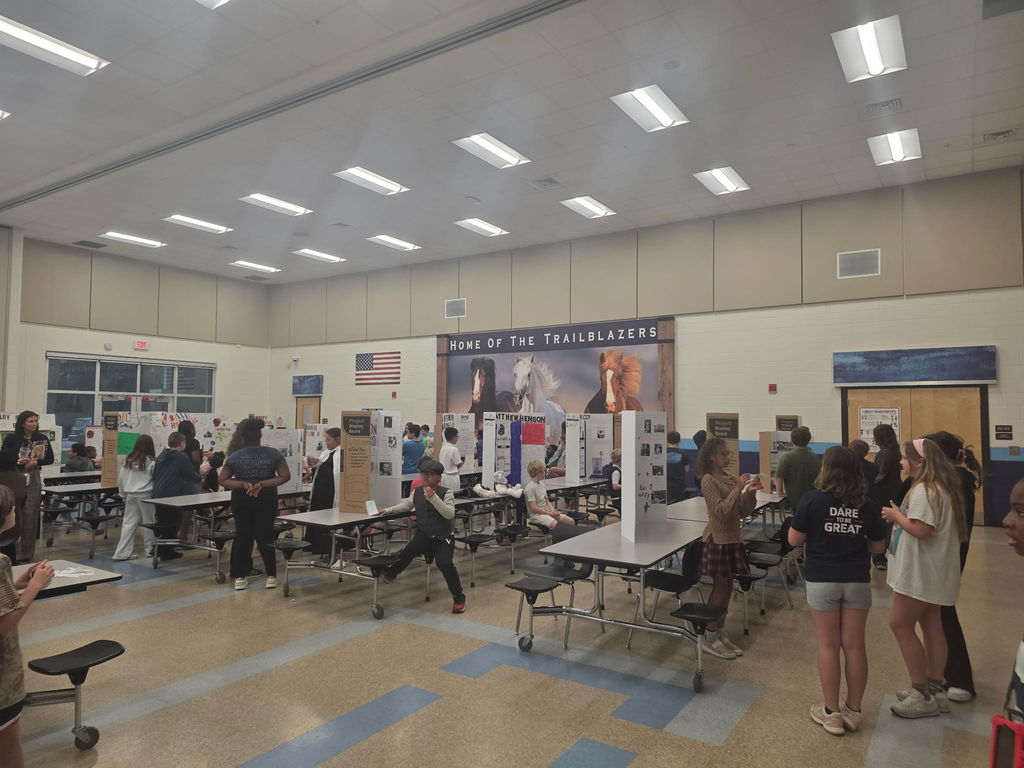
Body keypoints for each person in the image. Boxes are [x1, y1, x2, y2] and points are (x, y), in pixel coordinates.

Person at [789, 447, 886, 736]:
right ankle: (853, 710)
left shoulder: (812, 500)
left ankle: (831, 713)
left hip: (822, 579)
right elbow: (879, 547)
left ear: (826, 469)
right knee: (855, 646)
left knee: (828, 645)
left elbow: (794, 539)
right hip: (856, 579)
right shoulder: (867, 504)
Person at [882, 438, 967, 719]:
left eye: (905, 458)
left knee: (899, 623)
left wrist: (896, 515)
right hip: (933, 571)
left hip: (920, 572)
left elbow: (921, 529)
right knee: (932, 625)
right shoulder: (942, 489)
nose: (901, 462)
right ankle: (935, 687)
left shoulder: (926, 491)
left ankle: (921, 692)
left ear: (920, 462)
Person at [925, 431, 982, 704]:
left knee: (943, 614)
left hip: (946, 557)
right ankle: (946, 673)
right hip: (947, 556)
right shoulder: (955, 481)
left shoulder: (954, 483)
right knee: (937, 614)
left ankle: (960, 678)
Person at [0, 485, 55, 768]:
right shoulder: (1, 561)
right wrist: (35, 585)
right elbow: (3, 624)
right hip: (2, 683)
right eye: (12, 509)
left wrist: (15, 585)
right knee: (8, 746)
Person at [697, 437, 760, 659]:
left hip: (733, 538)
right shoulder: (707, 480)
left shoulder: (730, 478)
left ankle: (719, 631)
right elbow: (720, 512)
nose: (728, 457)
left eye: (728, 454)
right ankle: (709, 634)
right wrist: (737, 490)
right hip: (718, 539)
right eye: (724, 454)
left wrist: (750, 493)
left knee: (728, 585)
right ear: (712, 457)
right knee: (720, 587)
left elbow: (742, 511)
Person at [378, 459, 466, 613]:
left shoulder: (446, 493)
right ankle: (392, 573)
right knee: (407, 552)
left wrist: (433, 498)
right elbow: (406, 505)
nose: (423, 478)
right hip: (424, 533)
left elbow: (449, 514)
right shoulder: (417, 491)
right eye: (422, 474)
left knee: (445, 564)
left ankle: (459, 597)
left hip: (442, 536)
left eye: (428, 475)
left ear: (438, 477)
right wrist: (389, 510)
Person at [219, 418, 291, 591]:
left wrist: (243, 484)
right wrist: (262, 484)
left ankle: (241, 578)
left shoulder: (235, 456)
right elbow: (284, 476)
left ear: (243, 438)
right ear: (260, 436)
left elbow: (223, 480)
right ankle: (272, 576)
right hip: (266, 498)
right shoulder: (273, 454)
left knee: (243, 536)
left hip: (241, 498)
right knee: (265, 535)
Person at [0, 411, 55, 563]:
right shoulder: (12, 438)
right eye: (30, 421)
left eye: (36, 421)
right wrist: (18, 461)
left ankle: (26, 554)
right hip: (15, 476)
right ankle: (12, 552)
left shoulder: (41, 438)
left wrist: (36, 462)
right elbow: (3, 456)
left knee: (30, 515)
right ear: (23, 423)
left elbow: (49, 458)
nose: (34, 423)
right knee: (15, 514)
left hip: (33, 476)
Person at [151, 433, 200, 560]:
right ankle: (165, 550)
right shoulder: (181, 456)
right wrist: (199, 477)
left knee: (163, 522)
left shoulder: (162, 455)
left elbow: (155, 474)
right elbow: (191, 474)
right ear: (182, 444)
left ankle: (161, 548)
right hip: (172, 494)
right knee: (174, 522)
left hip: (157, 493)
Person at [112, 434, 156, 561]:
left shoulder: (128, 460)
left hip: (130, 494)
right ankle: (150, 550)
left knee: (128, 524)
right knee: (149, 523)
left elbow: (121, 479)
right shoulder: (151, 462)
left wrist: (122, 494)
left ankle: (121, 553)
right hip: (146, 495)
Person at [870, 424, 903, 570]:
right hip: (894, 491)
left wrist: (867, 482)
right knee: (889, 524)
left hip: (882, 494)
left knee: (881, 524)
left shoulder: (885, 453)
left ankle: (879, 557)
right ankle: (889, 554)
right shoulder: (895, 451)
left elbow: (880, 475)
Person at [775, 426, 821, 511]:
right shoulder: (815, 457)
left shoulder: (787, 457)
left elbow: (779, 477)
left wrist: (780, 492)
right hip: (813, 498)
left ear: (792, 440)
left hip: (795, 499)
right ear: (808, 440)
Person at [524, 460, 575, 529]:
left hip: (547, 511)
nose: (545, 473)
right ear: (538, 472)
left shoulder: (541, 484)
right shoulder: (530, 488)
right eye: (544, 471)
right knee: (558, 527)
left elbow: (547, 501)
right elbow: (534, 508)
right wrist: (549, 514)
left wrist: (553, 511)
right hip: (537, 515)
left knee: (571, 521)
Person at [308, 428, 342, 511]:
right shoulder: (326, 453)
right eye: (325, 439)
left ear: (338, 439)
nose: (326, 442)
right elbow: (321, 467)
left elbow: (337, 473)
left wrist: (321, 464)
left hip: (329, 491)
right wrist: (315, 464)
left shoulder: (341, 453)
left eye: (328, 440)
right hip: (319, 490)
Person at [666, 431, 690, 503]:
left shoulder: (662, 453)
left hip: (665, 484)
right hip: (679, 485)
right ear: (679, 441)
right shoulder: (684, 454)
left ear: (667, 440)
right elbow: (687, 469)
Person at [438, 427, 463, 493]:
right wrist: (463, 460)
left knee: (444, 496)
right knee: (453, 497)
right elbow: (459, 464)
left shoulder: (443, 448)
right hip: (452, 478)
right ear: (453, 437)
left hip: (443, 477)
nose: (457, 438)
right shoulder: (454, 449)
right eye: (457, 436)